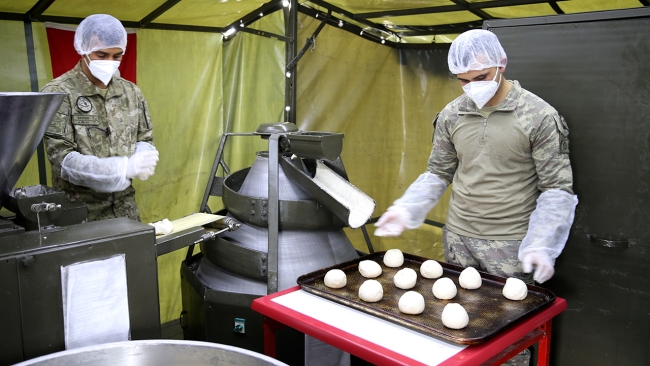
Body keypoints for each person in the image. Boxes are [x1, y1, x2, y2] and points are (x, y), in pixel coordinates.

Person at [374, 29, 578, 365]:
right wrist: (408, 206)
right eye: (463, 80)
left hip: (510, 244)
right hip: (458, 238)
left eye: (481, 77)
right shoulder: (453, 115)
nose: (473, 87)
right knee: (456, 323)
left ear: (502, 64)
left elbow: (556, 188)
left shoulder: (539, 117)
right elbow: (439, 172)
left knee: (508, 335)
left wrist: (543, 242)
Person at [42, 14, 159, 222]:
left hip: (125, 210)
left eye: (117, 56)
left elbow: (144, 138)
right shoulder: (59, 93)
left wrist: (143, 156)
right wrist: (119, 168)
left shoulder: (131, 92)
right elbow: (62, 160)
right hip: (80, 215)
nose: (110, 62)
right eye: (102, 55)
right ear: (83, 50)